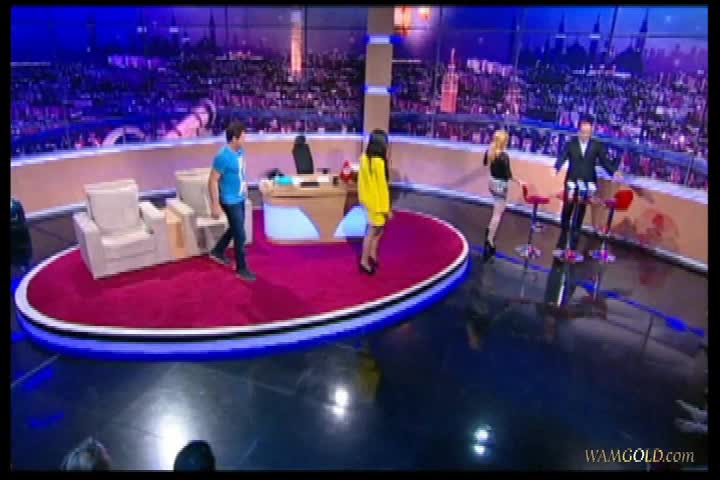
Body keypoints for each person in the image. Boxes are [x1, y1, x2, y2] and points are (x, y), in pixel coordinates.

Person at [552, 116, 623, 251]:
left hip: (587, 182)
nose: (586, 135)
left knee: (580, 210)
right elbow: (563, 156)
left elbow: (605, 161)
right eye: (584, 132)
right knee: (567, 209)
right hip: (571, 181)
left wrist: (614, 172)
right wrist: (556, 168)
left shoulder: (596, 145)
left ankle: (574, 241)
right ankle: (563, 236)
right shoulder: (571, 143)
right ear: (579, 131)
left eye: (588, 133)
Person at [208, 122, 256, 281]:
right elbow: (212, 180)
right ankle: (242, 269)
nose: (245, 138)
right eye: (243, 136)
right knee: (240, 235)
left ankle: (217, 251)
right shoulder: (222, 156)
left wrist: (244, 186)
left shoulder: (240, 151)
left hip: (240, 197)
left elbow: (239, 172)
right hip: (229, 200)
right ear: (234, 138)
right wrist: (215, 204)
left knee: (236, 228)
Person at [483, 129, 524, 261]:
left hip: (491, 183)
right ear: (504, 142)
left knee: (497, 209)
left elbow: (485, 163)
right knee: (497, 214)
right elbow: (508, 175)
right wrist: (519, 181)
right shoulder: (503, 156)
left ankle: (489, 230)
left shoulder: (490, 151)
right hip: (500, 186)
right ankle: (490, 240)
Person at [358, 129, 391, 275]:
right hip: (376, 203)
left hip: (367, 201)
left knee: (378, 230)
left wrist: (363, 200)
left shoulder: (364, 158)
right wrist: (386, 209)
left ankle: (372, 254)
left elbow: (361, 183)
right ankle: (364, 262)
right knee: (372, 231)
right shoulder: (378, 162)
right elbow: (382, 188)